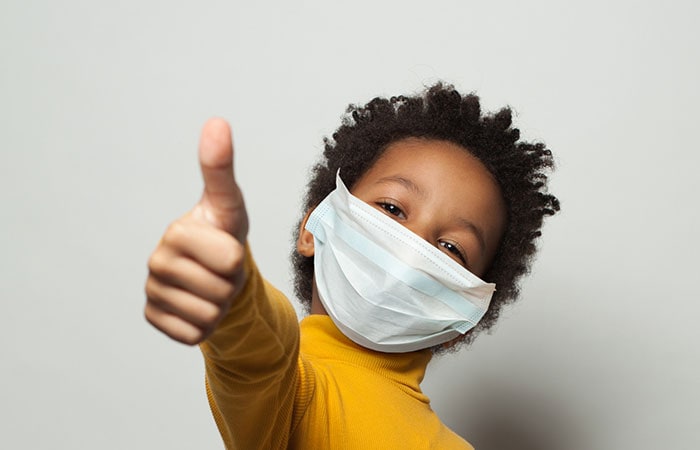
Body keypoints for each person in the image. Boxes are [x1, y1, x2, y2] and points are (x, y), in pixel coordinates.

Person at [144, 83, 560, 449]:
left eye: (452, 247)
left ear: (467, 312)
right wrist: (235, 294)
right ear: (313, 228)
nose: (412, 249)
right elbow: (258, 358)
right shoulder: (296, 393)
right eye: (392, 208)